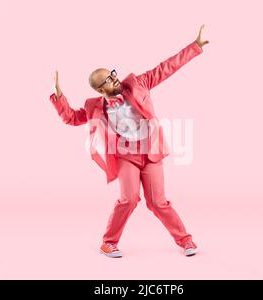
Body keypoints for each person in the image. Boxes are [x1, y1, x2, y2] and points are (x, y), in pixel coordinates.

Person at [49, 25, 209, 257]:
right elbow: (72, 118)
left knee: (158, 202)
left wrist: (194, 47)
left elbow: (165, 68)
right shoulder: (94, 106)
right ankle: (109, 242)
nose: (115, 78)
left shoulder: (137, 83)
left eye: (113, 73)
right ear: (101, 88)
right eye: (109, 79)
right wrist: (59, 97)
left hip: (151, 151)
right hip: (125, 156)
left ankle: (185, 240)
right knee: (129, 199)